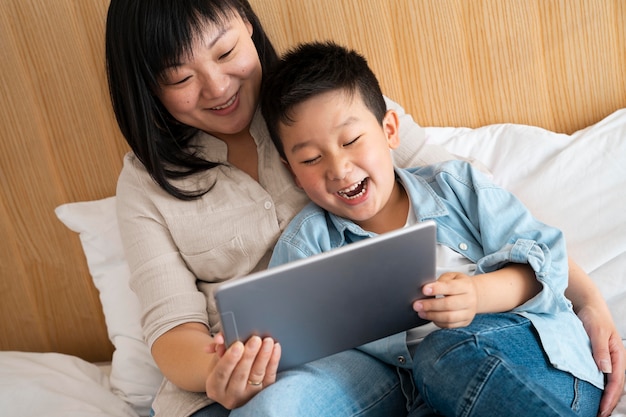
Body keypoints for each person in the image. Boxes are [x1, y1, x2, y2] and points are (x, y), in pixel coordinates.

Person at [103, 0, 624, 416]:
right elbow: (171, 328)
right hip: (238, 370)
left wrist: (588, 299)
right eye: (179, 77)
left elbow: (489, 212)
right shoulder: (148, 185)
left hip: (391, 357)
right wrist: (221, 373)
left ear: (247, 24)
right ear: (147, 86)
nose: (217, 88)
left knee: (443, 361)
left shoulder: (334, 105)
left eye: (224, 53)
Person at [260, 40, 607, 416]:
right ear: (292, 172)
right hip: (439, 397)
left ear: (389, 130)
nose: (339, 168)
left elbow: (547, 264)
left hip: (541, 369)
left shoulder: (455, 185)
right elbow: (279, 338)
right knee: (434, 370)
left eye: (352, 140)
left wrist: (477, 294)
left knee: (441, 353)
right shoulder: (307, 242)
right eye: (311, 158)